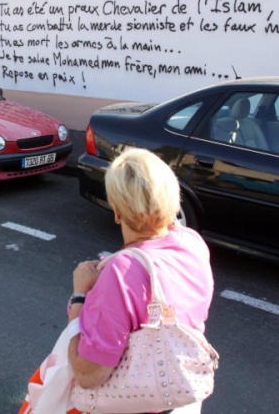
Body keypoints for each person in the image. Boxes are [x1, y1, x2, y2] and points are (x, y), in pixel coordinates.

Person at [67, 148, 214, 413]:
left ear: (117, 212)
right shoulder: (193, 243)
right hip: (181, 395)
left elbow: (89, 375)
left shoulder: (121, 272)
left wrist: (79, 295)